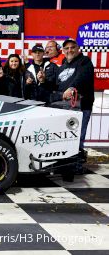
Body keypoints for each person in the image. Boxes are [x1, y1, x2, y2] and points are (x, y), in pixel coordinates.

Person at [54, 38, 94, 178]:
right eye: (67, 48)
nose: (69, 50)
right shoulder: (63, 65)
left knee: (77, 137)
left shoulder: (85, 61)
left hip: (81, 106)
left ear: (78, 49)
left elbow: (82, 78)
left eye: (72, 47)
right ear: (63, 51)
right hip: (65, 107)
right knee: (64, 137)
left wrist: (72, 88)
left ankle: (76, 166)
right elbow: (57, 83)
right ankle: (64, 165)